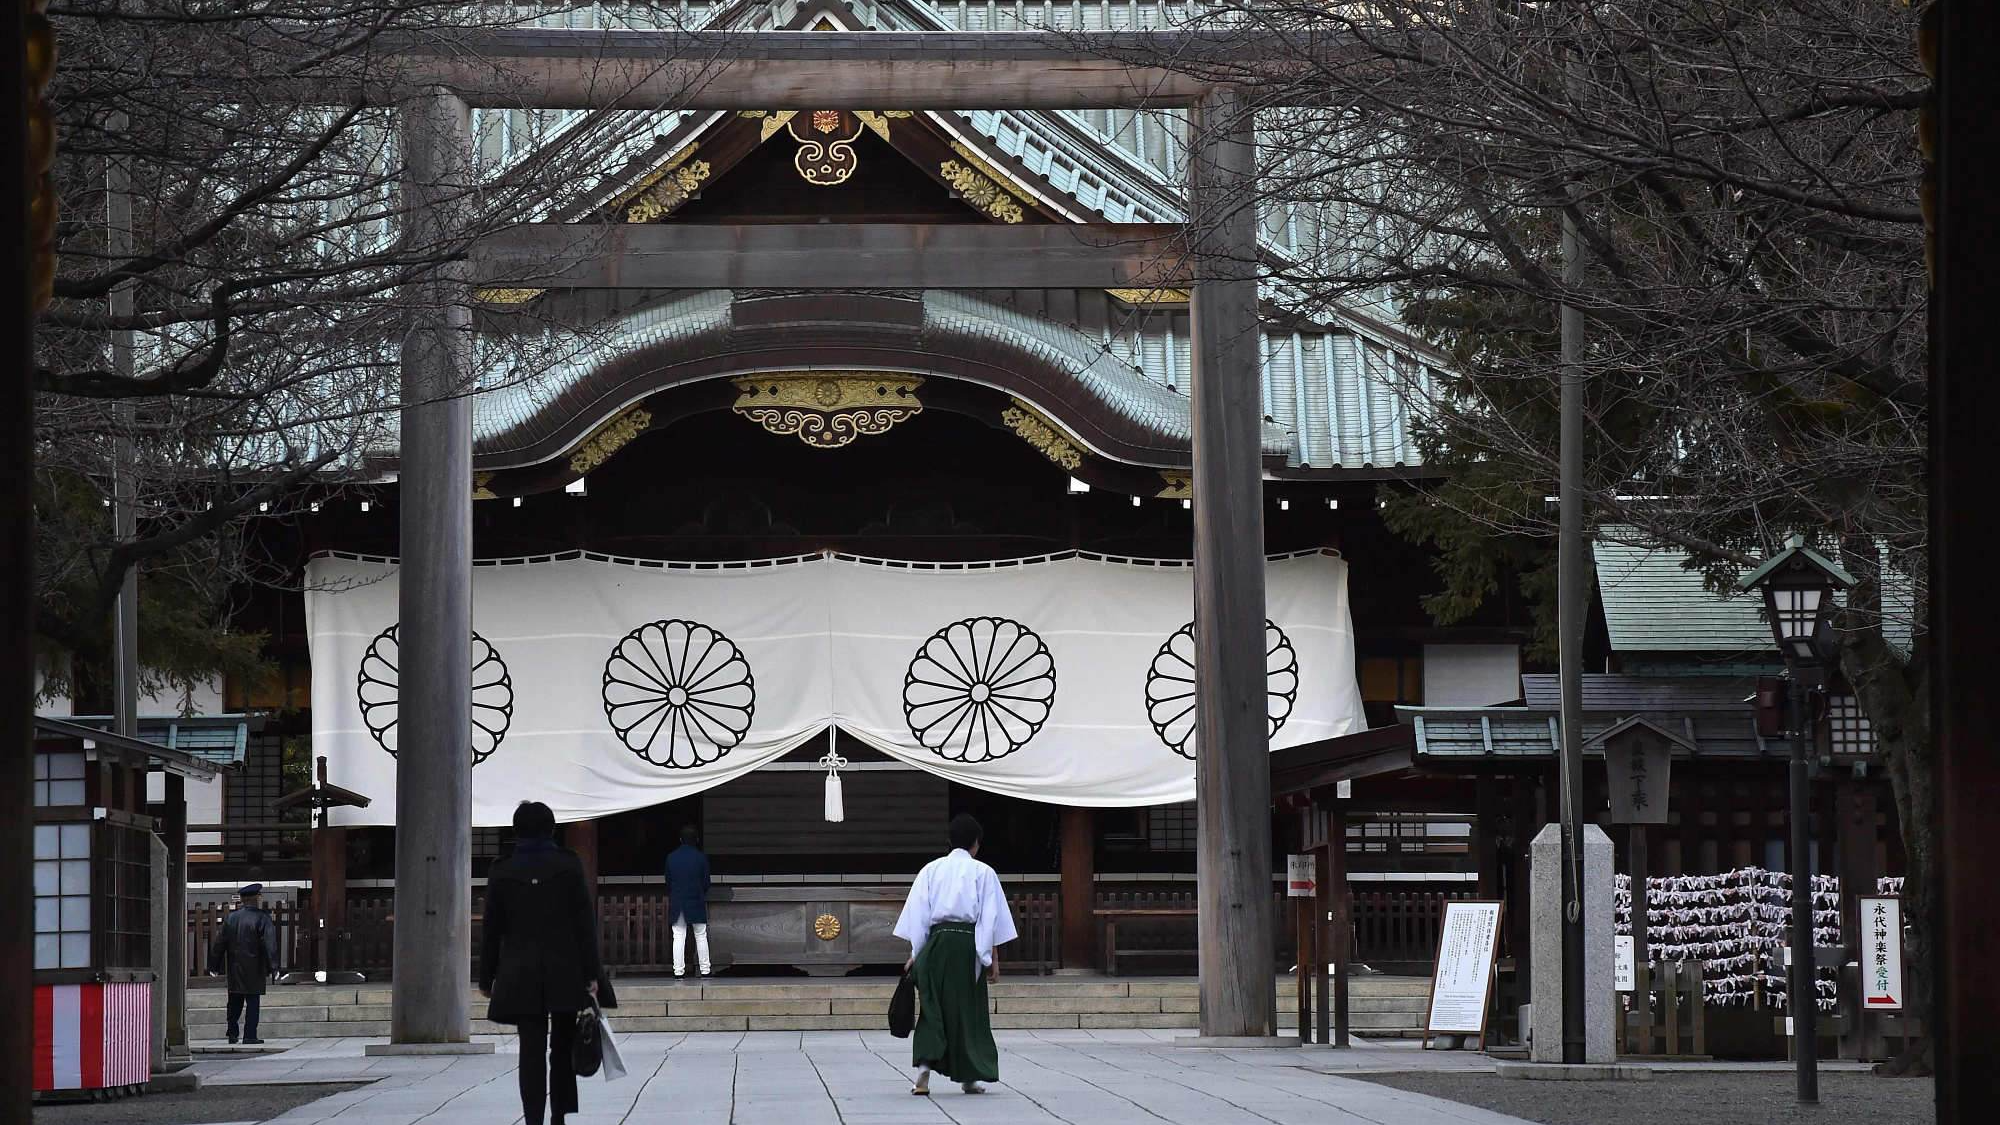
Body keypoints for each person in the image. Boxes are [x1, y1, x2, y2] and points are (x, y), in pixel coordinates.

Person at [480, 802, 606, 1125]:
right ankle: (559, 1116)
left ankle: (533, 1118)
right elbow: (584, 925)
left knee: (530, 1050)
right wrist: (592, 974)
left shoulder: (502, 869)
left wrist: (486, 976)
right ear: (551, 828)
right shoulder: (568, 865)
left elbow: (492, 928)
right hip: (565, 968)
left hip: (519, 970)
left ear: (516, 829)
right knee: (562, 1048)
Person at [893, 813, 1017, 1096]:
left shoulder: (930, 870)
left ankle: (923, 1068)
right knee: (967, 1013)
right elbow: (989, 919)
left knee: (932, 1008)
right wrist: (989, 959)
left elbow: (920, 917)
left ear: (949, 842)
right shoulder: (984, 872)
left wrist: (916, 954)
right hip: (967, 945)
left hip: (936, 944)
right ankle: (969, 1077)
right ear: (976, 844)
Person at [207, 883, 280, 1044]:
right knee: (253, 1002)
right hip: (255, 967)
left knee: (234, 1001)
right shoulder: (263, 918)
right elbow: (270, 944)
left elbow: (219, 943)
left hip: (235, 966)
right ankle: (250, 1035)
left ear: (242, 899)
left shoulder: (231, 918)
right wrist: (274, 967)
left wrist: (214, 965)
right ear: (257, 898)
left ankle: (232, 1033)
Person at [665, 824, 712, 979]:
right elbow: (706, 882)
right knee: (701, 935)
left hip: (678, 901)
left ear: (680, 840)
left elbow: (668, 882)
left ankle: (678, 971)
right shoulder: (701, 857)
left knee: (678, 936)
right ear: (696, 840)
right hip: (696, 900)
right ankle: (705, 970)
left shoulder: (671, 857)